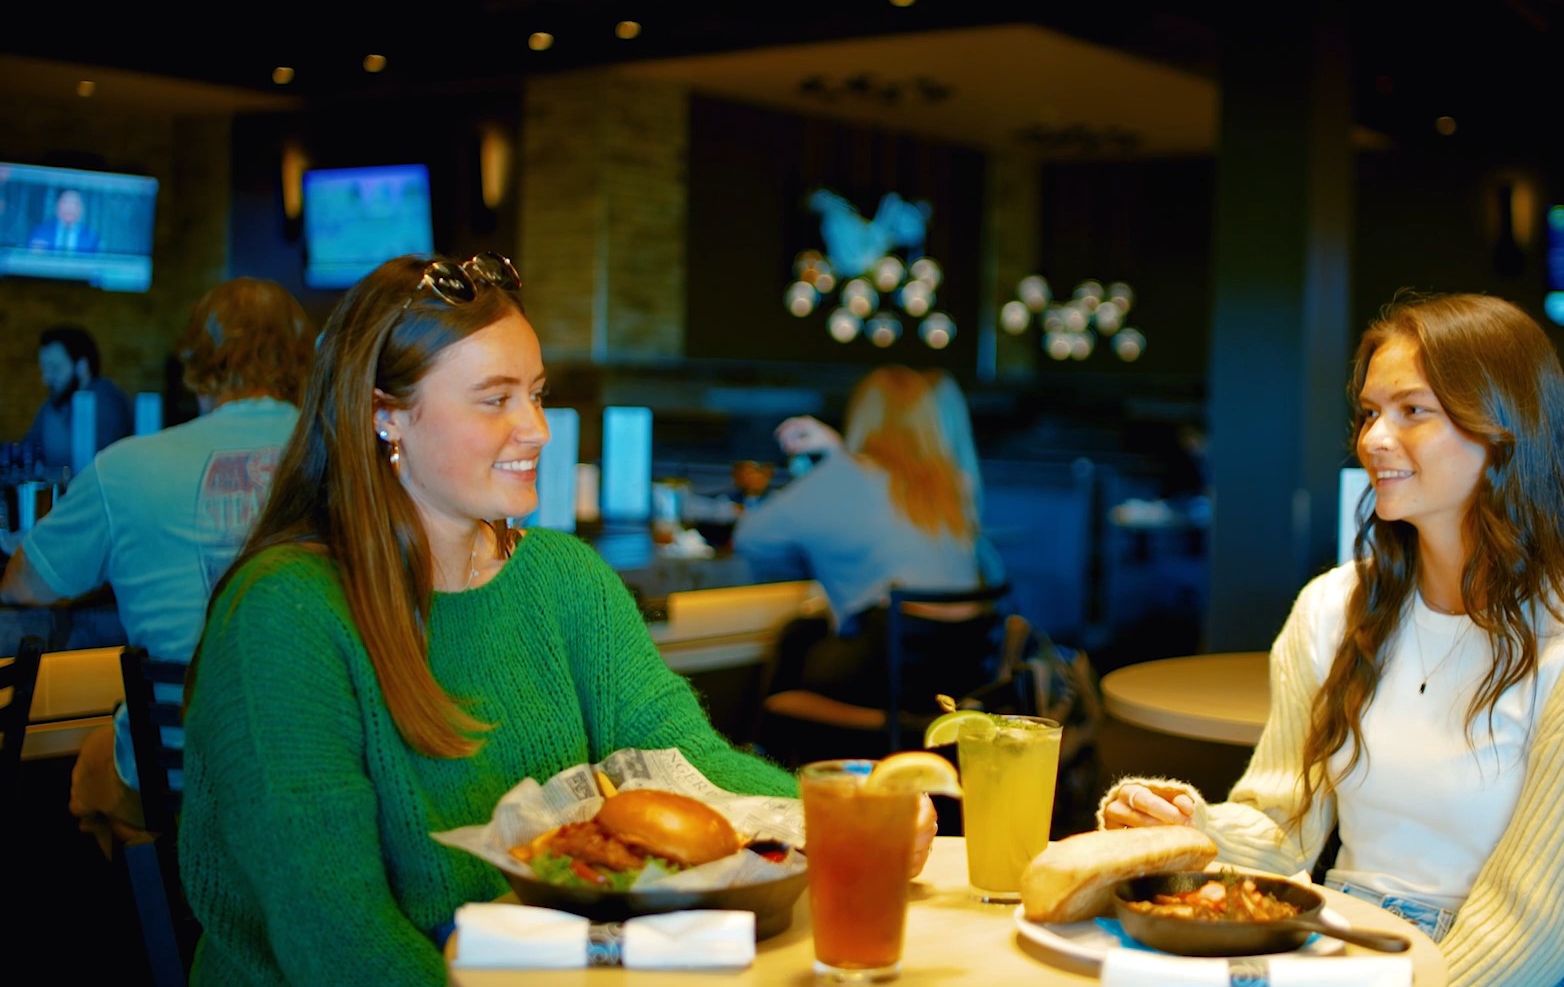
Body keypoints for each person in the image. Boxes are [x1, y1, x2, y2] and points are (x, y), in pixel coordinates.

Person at [178, 255, 935, 986]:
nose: (537, 428)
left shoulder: (562, 576)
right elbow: (334, 938)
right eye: (495, 398)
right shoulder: (285, 613)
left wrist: (844, 822)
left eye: (535, 393)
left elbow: (690, 764)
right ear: (386, 416)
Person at [1100, 294, 1564, 987]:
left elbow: (1523, 941)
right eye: (1372, 412)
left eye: (1413, 410)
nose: (1374, 439)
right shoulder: (1332, 609)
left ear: (1504, 429)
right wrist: (1183, 823)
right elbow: (1282, 826)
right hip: (1327, 942)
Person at [1, 278, 314, 854]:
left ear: (193, 364)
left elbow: (23, 583)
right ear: (301, 358)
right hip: (330, 771)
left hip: (181, 776)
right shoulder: (358, 458)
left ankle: (163, 922)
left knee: (96, 763)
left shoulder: (126, 468)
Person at [735, 366, 1002, 712]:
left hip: (882, 678)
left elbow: (750, 538)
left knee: (796, 638)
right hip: (956, 678)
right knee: (803, 635)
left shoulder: (845, 474)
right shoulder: (952, 484)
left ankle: (766, 757)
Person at [21, 324, 135, 474]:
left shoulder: (106, 402)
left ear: (81, 366)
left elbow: (102, 469)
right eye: (44, 369)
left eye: (55, 368)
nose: (45, 379)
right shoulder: (54, 403)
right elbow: (26, 452)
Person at [25, 188, 103, 253]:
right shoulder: (40, 232)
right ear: (56, 206)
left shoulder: (91, 237)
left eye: (75, 204)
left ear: (81, 209)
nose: (69, 208)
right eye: (65, 202)